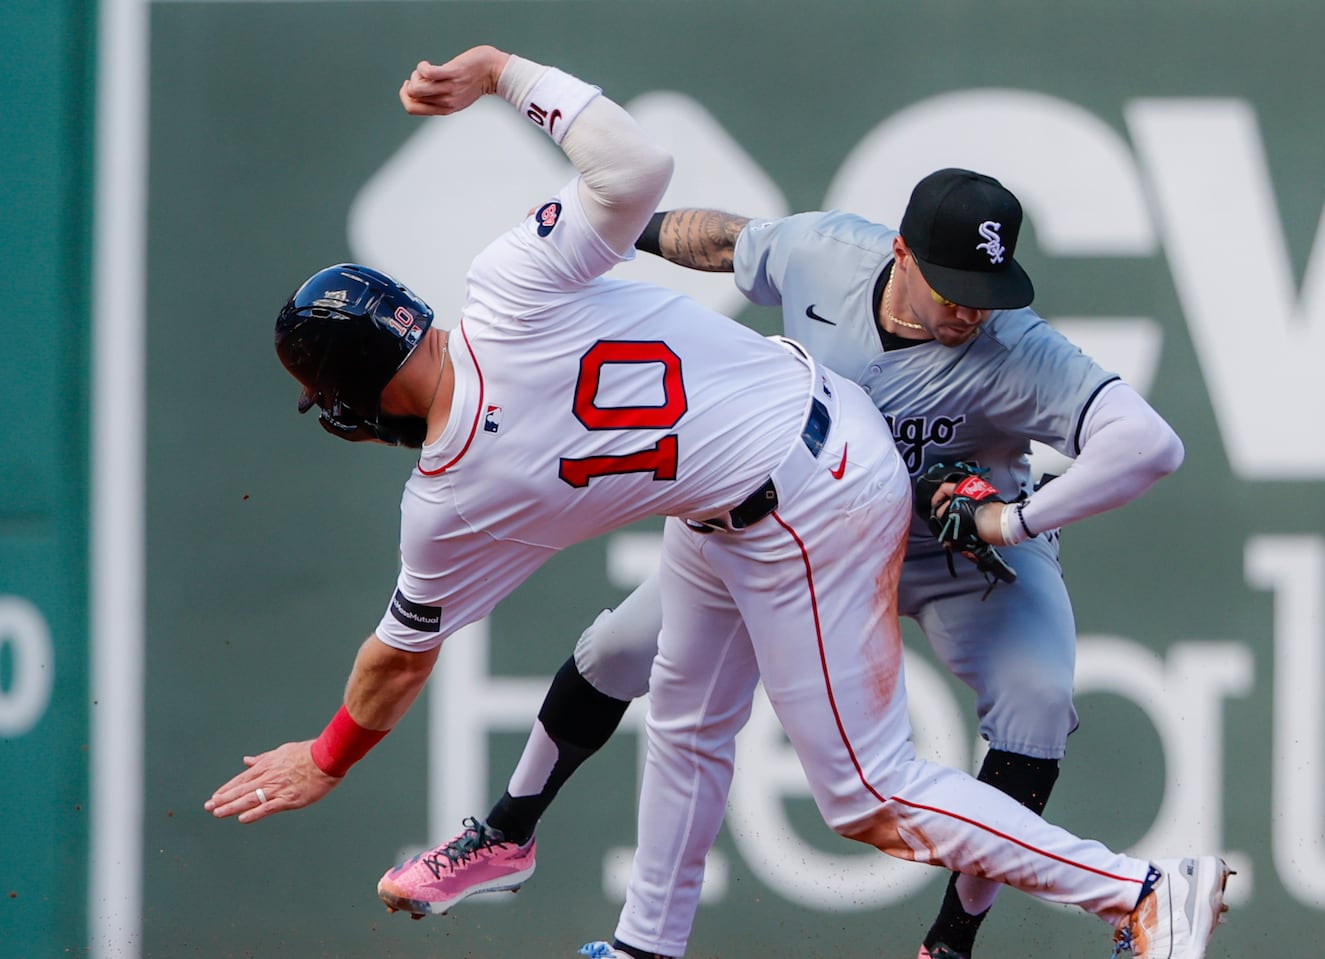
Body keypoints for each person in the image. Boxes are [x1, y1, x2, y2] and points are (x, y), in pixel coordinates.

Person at [203, 41, 1228, 959]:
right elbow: (642, 176)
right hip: (761, 468)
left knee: (865, 788)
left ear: (352, 397)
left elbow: (394, 661)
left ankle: (1136, 889)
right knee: (686, 712)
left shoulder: (449, 498)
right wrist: (507, 73)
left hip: (806, 503)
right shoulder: (506, 280)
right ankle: (646, 942)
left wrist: (327, 756)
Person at [378, 169, 1192, 959]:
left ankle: (953, 944)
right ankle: (507, 832)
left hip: (958, 554)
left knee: (1035, 705)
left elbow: (1149, 444)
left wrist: (1016, 519)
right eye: (952, 286)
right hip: (808, 522)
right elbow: (722, 240)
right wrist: (614, 232)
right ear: (902, 254)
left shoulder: (1017, 346)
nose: (972, 309)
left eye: (988, 289)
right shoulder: (828, 253)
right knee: (623, 650)